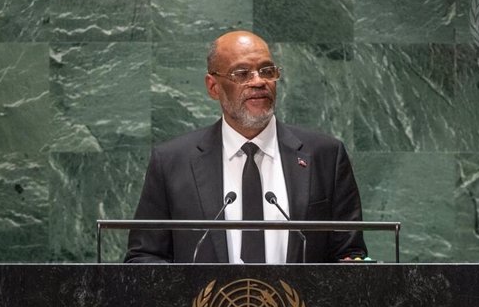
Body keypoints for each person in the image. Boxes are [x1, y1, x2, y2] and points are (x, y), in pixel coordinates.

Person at [124, 30, 367, 263]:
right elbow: (145, 257)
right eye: (242, 73)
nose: (259, 81)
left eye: (267, 71)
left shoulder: (325, 155)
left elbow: (349, 254)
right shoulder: (172, 162)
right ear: (213, 87)